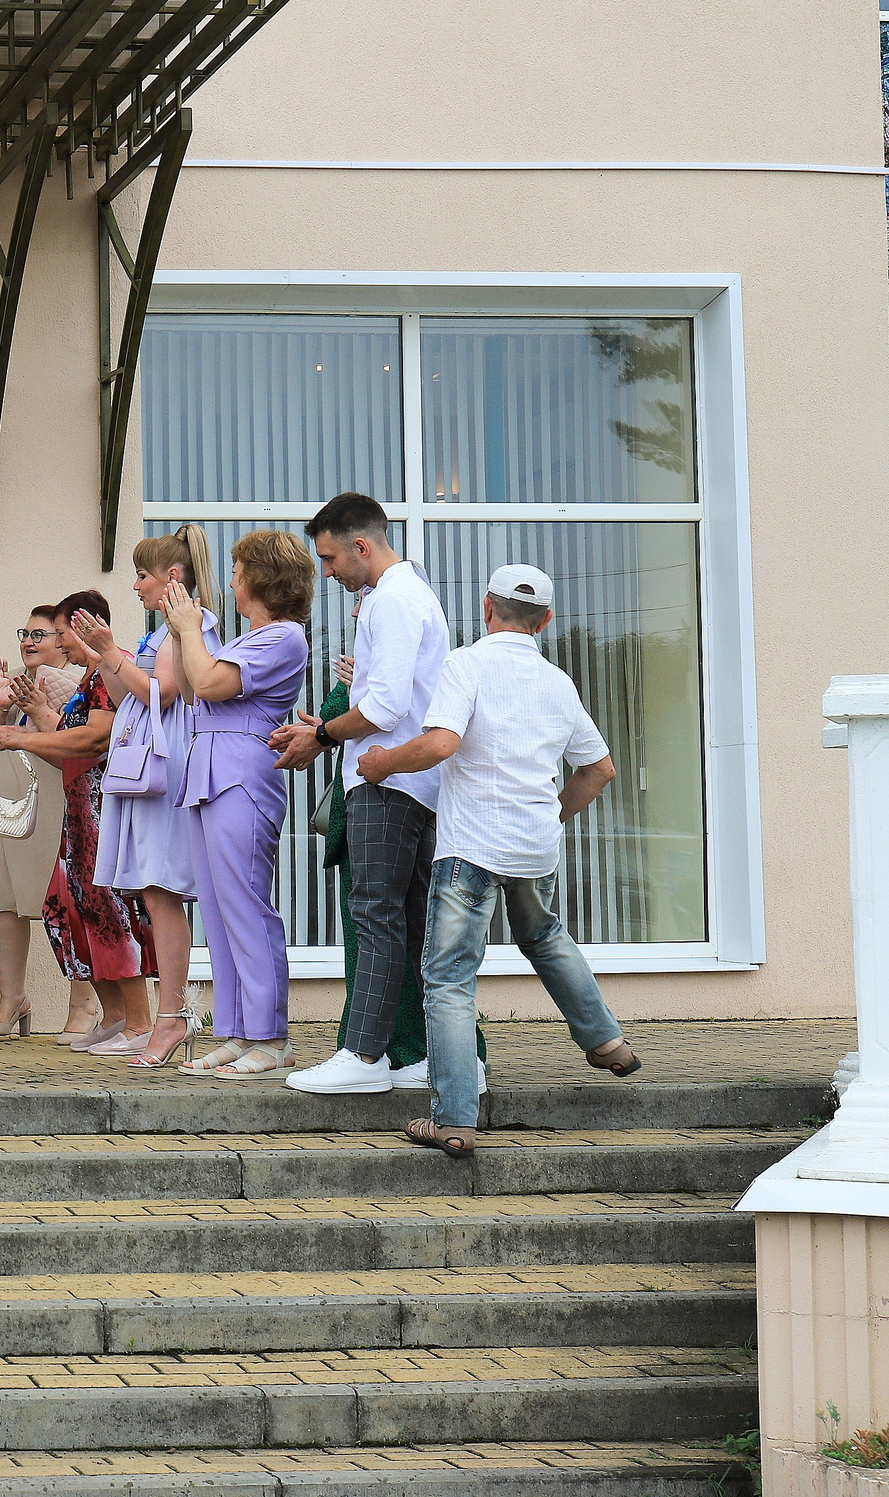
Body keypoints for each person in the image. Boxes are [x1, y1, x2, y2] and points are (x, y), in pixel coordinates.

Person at [353, 564, 641, 1158]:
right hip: (534, 846)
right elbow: (601, 769)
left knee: (450, 977)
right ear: (546, 621)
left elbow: (439, 744)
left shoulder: (467, 665)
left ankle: (454, 1118)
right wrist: (553, 813)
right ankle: (607, 1041)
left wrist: (382, 764)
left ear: (487, 609)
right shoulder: (558, 683)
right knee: (545, 936)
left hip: (472, 845)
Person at [273, 492, 451, 1096]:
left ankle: (364, 1055)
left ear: (361, 546)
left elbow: (383, 706)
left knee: (375, 916)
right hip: (415, 780)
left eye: (328, 560)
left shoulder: (392, 599)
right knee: (407, 920)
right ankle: (425, 1055)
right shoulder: (407, 594)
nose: (326, 573)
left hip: (385, 778)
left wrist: (320, 732)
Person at [156, 531, 314, 1079]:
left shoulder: (284, 638)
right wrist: (181, 631)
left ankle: (270, 1036)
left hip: (241, 776)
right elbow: (191, 682)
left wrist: (189, 629)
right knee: (220, 913)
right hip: (211, 773)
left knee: (246, 906)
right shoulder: (252, 638)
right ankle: (238, 1031)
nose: (230, 580)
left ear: (260, 579)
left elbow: (206, 680)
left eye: (238, 570)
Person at [68, 527, 222, 1067]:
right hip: (154, 766)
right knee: (153, 894)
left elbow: (163, 693)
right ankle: (169, 1014)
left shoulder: (190, 624)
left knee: (161, 893)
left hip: (165, 767)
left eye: (142, 575)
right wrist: (106, 654)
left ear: (171, 578)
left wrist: (110, 653)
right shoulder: (172, 627)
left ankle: (171, 1016)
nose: (135, 585)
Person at [0, 591, 154, 1049]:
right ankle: (116, 1017)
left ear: (85, 627)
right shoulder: (89, 680)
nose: (60, 644)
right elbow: (65, 740)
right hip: (77, 817)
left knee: (107, 914)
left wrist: (23, 739)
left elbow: (93, 740)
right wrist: (32, 717)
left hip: (101, 815)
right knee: (69, 914)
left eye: (61, 634)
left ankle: (139, 1022)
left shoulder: (112, 675)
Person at [0, 606, 74, 1038]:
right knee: (2, 904)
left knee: (68, 907)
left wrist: (39, 709)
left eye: (40, 634)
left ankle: (84, 1006)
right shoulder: (11, 679)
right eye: (24, 633)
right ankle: (13, 999)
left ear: (61, 640)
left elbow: (78, 739)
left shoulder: (78, 680)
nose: (28, 642)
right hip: (10, 811)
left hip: (58, 809)